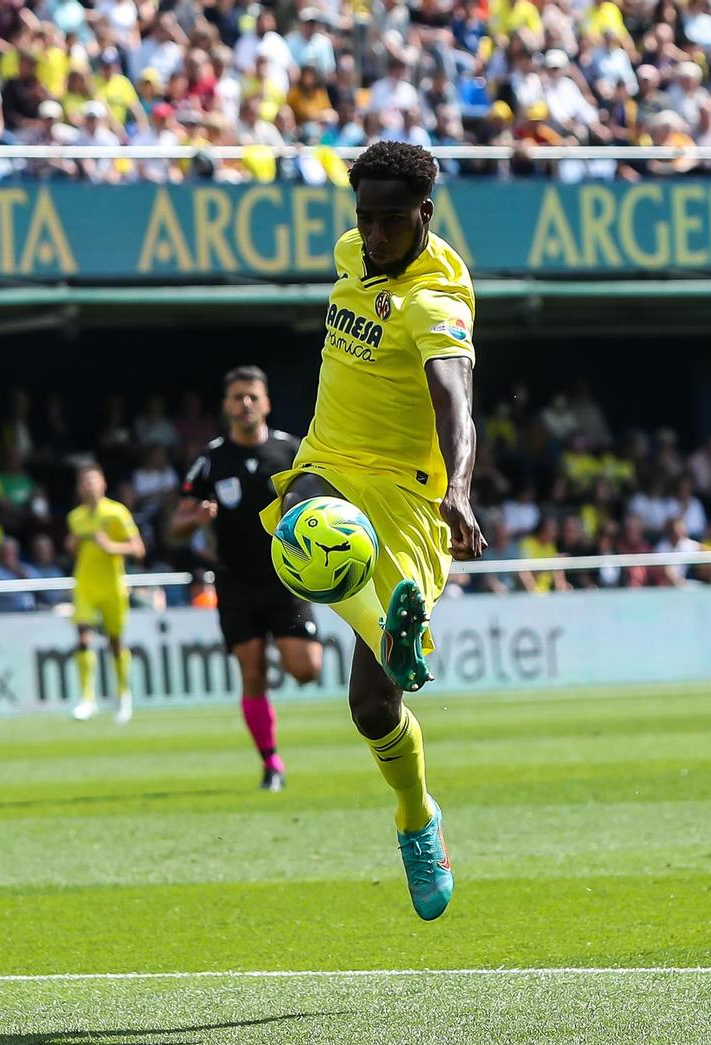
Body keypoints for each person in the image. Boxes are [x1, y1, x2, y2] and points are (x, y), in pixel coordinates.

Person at [258, 142, 485, 922]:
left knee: (372, 710)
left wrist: (458, 488)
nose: (376, 234)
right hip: (328, 461)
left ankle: (417, 818)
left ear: (424, 214)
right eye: (366, 218)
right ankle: (396, 632)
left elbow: (457, 401)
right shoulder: (352, 253)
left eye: (393, 221)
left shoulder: (435, 303)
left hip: (408, 501)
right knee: (301, 520)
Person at [172, 366, 321, 792]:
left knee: (306, 669)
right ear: (226, 406)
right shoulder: (210, 459)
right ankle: (271, 763)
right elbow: (176, 523)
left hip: (287, 577)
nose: (246, 404)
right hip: (235, 582)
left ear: (267, 403)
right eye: (238, 397)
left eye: (253, 396)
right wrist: (195, 518)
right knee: (251, 672)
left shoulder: (292, 452)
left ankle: (281, 644)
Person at [65, 462, 145, 723]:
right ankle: (88, 699)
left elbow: (138, 549)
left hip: (112, 585)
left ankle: (123, 695)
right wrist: (72, 546)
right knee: (83, 637)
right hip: (85, 585)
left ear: (103, 484)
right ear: (79, 488)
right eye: (84, 481)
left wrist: (112, 546)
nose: (88, 485)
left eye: (93, 480)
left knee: (115, 643)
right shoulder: (75, 518)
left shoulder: (116, 513)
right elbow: (78, 549)